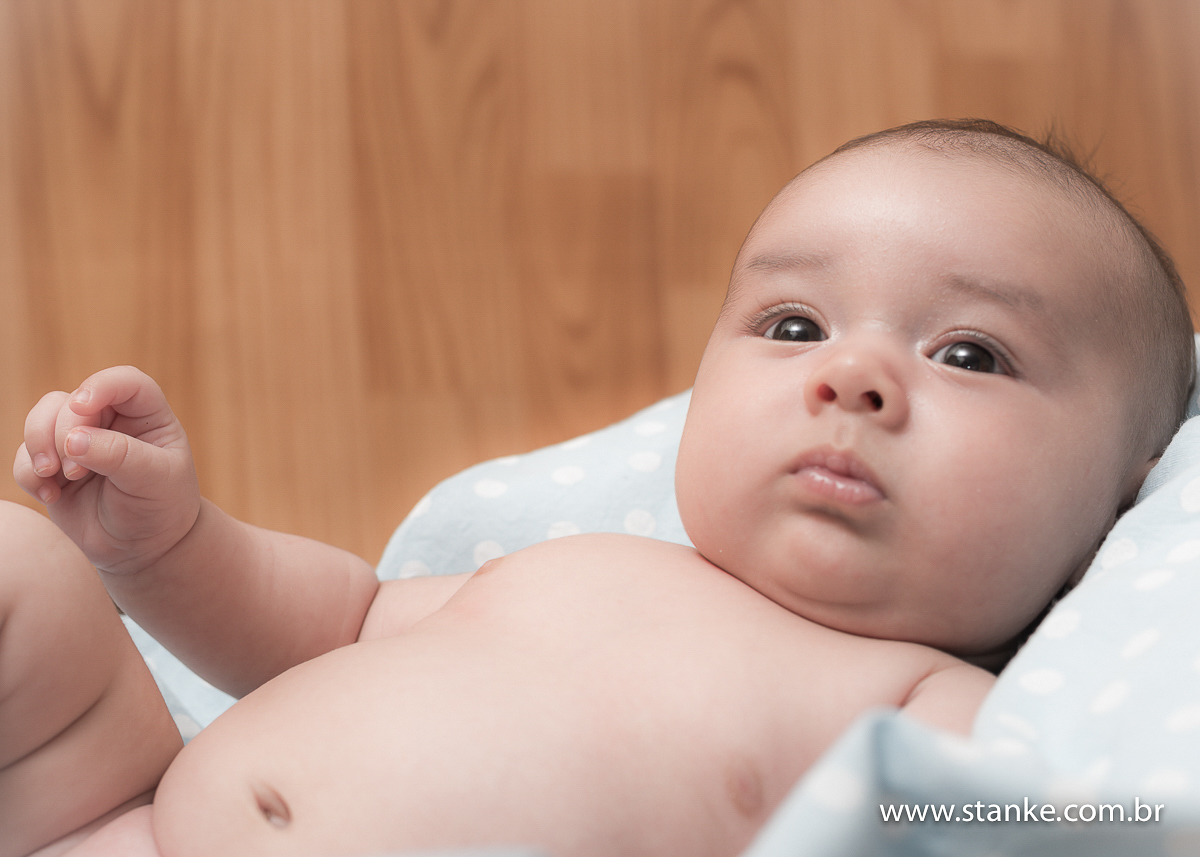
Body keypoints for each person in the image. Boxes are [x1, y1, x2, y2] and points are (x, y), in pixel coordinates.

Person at [5, 119, 1194, 857]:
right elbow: (331, 622)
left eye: (969, 353)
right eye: (793, 323)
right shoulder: (586, 563)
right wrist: (165, 546)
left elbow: (1035, 818)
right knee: (26, 572)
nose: (855, 375)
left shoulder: (919, 707)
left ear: (1121, 501)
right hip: (115, 818)